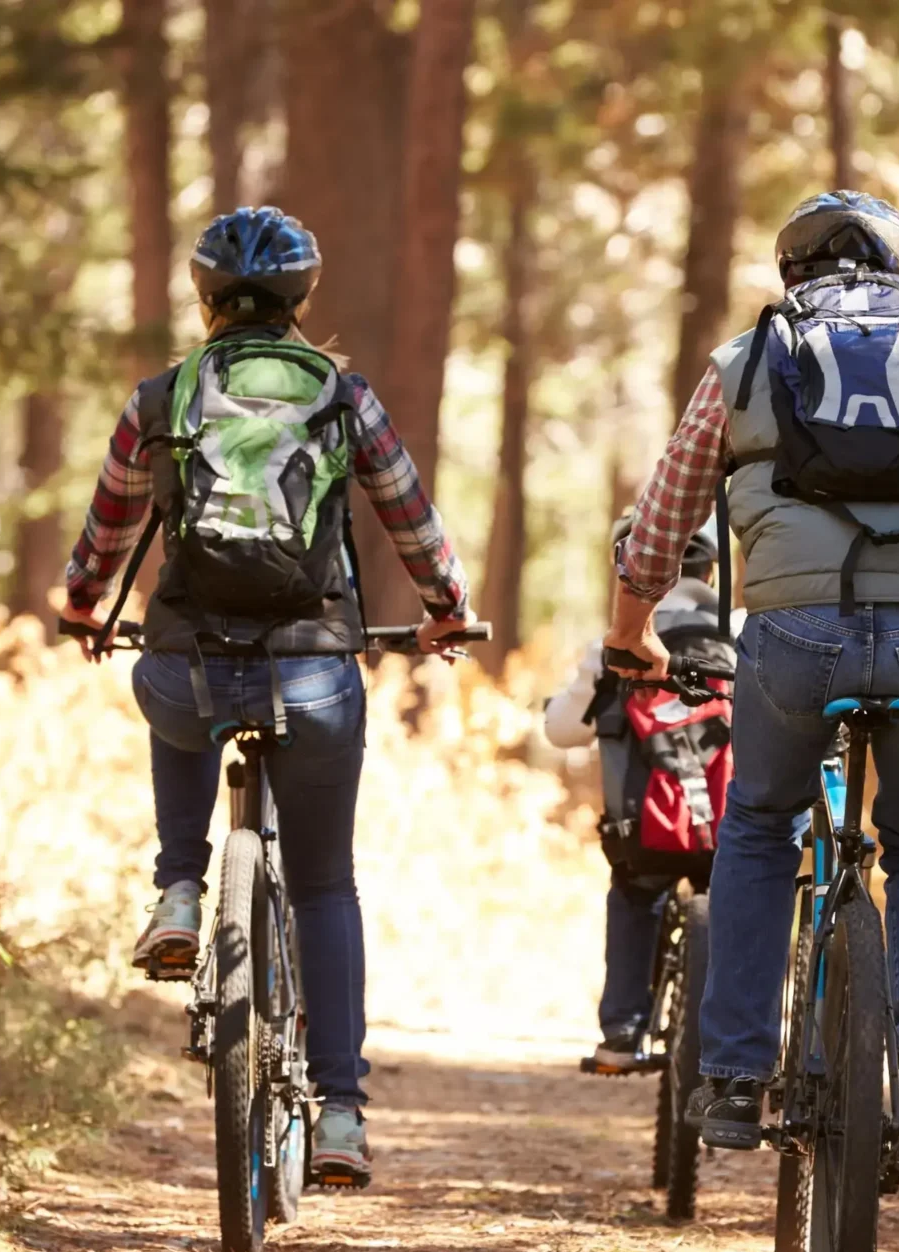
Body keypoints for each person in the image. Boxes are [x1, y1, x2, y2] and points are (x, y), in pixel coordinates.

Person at [605, 190, 899, 1174]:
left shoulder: (748, 361)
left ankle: (732, 1076)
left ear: (790, 274)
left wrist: (630, 632)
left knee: (758, 823)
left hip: (792, 635)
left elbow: (660, 519)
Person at [59, 206, 477, 1187]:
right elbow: (410, 519)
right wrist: (447, 609)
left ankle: (177, 886)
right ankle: (337, 1112)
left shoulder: (162, 397)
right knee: (325, 883)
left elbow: (108, 528)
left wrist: (85, 608)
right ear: (301, 300)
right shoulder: (343, 396)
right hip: (313, 666)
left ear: (204, 297)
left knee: (174, 690)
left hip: (187, 659)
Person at [545, 517, 740, 1071]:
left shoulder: (613, 644)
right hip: (733, 827)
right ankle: (742, 1046)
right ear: (710, 570)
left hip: (645, 831)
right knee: (747, 897)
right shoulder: (741, 631)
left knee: (635, 889)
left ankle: (624, 1033)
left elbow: (562, 731)